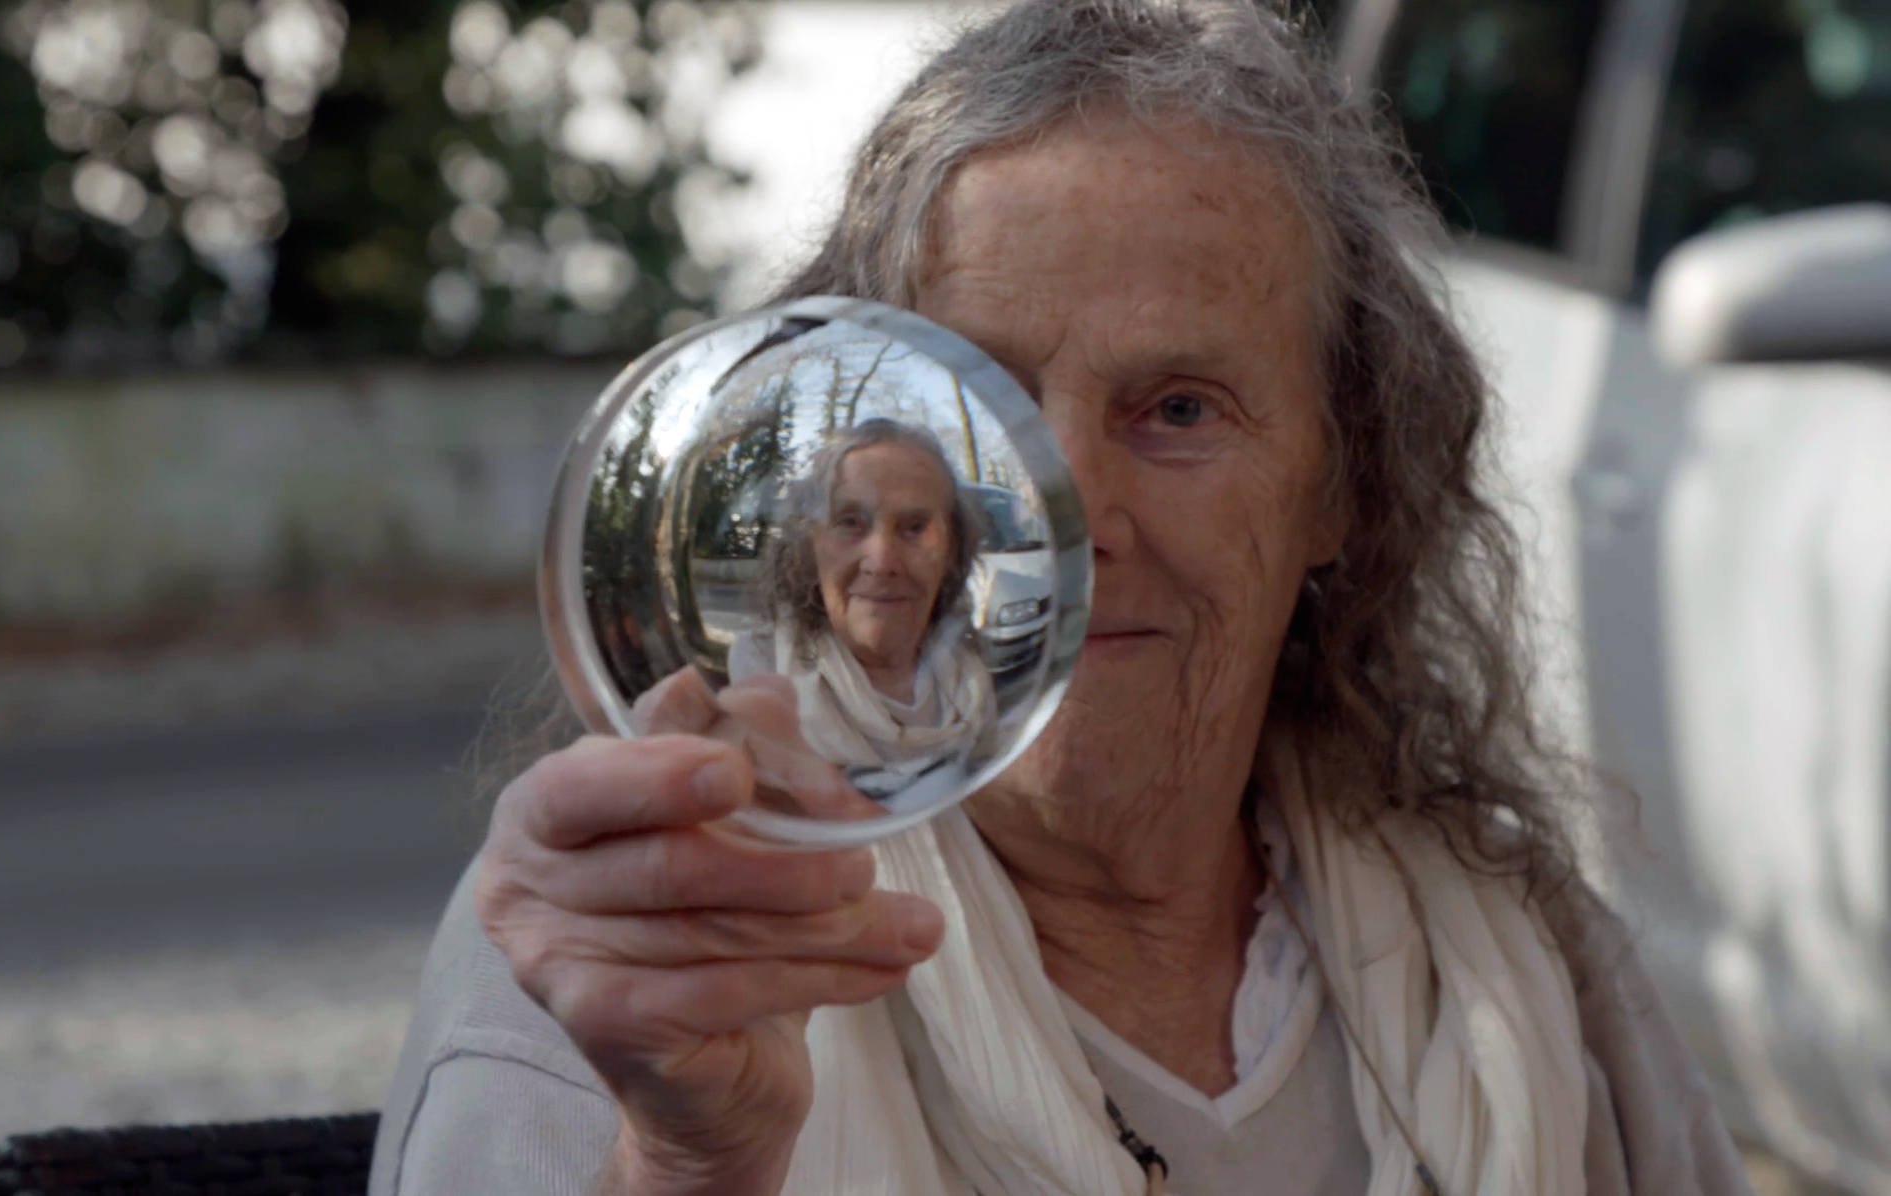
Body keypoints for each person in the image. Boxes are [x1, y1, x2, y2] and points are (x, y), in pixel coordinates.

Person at [370, 1, 1754, 1193]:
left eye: (1174, 408)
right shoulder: (642, 957)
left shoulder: (1521, 966)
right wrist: (687, 1168)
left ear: (1341, 488)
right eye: (973, 407)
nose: (1059, 516)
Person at [726, 419, 995, 802]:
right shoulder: (764, 663)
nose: (882, 561)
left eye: (915, 527)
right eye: (850, 522)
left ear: (951, 552)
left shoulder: (972, 681)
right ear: (811, 542)